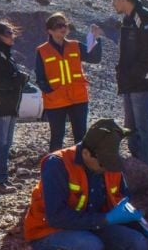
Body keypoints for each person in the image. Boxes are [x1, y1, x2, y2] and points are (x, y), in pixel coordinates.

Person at [23, 119, 148, 250]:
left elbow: (121, 204)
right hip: (48, 232)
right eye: (103, 164)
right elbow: (56, 217)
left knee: (136, 244)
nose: (107, 169)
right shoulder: (57, 164)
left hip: (91, 227)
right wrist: (105, 220)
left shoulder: (110, 165)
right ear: (86, 154)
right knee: (90, 246)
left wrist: (145, 229)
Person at [111, 0, 148, 175]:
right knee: (130, 125)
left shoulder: (146, 17)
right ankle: (137, 163)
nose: (113, 3)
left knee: (143, 123)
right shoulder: (127, 20)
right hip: (129, 81)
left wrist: (137, 70)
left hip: (143, 81)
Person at [35, 12, 103, 152]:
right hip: (56, 101)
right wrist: (50, 92)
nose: (63, 28)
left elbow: (94, 58)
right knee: (57, 137)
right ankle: (55, 168)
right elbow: (40, 77)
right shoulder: (42, 51)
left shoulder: (75, 45)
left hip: (78, 98)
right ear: (50, 30)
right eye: (58, 25)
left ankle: (82, 168)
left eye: (64, 24)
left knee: (81, 136)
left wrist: (96, 39)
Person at [0, 21, 29, 195]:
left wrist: (18, 78)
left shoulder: (5, 55)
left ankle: (2, 178)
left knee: (5, 144)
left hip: (9, 105)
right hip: (0, 105)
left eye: (12, 32)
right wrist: (19, 79)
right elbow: (0, 81)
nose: (12, 36)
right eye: (8, 32)